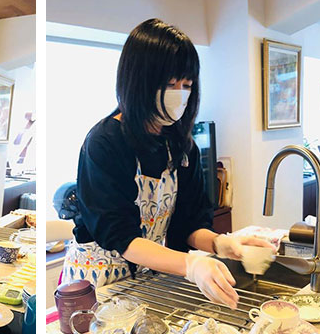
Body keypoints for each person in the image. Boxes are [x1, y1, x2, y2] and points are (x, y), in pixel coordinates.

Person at [63, 18, 274, 309]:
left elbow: (188, 224)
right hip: (96, 285)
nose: (180, 94)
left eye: (187, 85)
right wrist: (190, 265)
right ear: (138, 81)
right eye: (169, 84)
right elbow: (122, 237)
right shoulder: (104, 142)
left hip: (146, 278)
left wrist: (221, 243)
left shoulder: (182, 146)